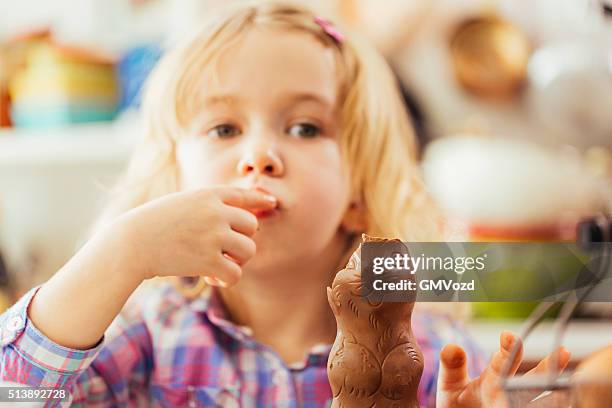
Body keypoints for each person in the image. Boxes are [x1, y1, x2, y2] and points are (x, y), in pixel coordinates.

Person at [0, 2, 569, 407]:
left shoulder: (434, 352)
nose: (260, 156)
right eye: (224, 128)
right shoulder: (148, 339)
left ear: (358, 191)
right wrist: (119, 253)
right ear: (176, 181)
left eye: (304, 126)